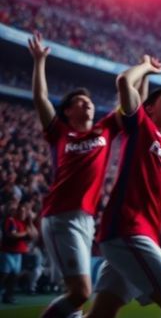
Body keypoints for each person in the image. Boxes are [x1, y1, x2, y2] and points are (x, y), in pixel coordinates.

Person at [87, 59, 161, 318]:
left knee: (102, 313)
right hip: (127, 230)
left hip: (143, 234)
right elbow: (124, 82)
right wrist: (146, 67)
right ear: (149, 109)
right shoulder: (141, 128)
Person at [27, 32, 121, 318]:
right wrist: (39, 62)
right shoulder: (59, 132)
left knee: (77, 295)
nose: (87, 104)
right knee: (81, 292)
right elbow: (40, 98)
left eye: (89, 102)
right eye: (80, 102)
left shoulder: (104, 129)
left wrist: (140, 75)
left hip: (86, 217)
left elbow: (128, 105)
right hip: (61, 215)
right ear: (67, 111)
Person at [0, 200, 36, 305]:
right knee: (4, 274)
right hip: (8, 252)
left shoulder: (24, 223)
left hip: (18, 253)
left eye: (24, 212)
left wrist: (30, 223)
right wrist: (25, 233)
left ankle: (8, 296)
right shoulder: (10, 221)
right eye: (21, 211)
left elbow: (34, 235)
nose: (23, 214)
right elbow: (11, 235)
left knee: (14, 275)